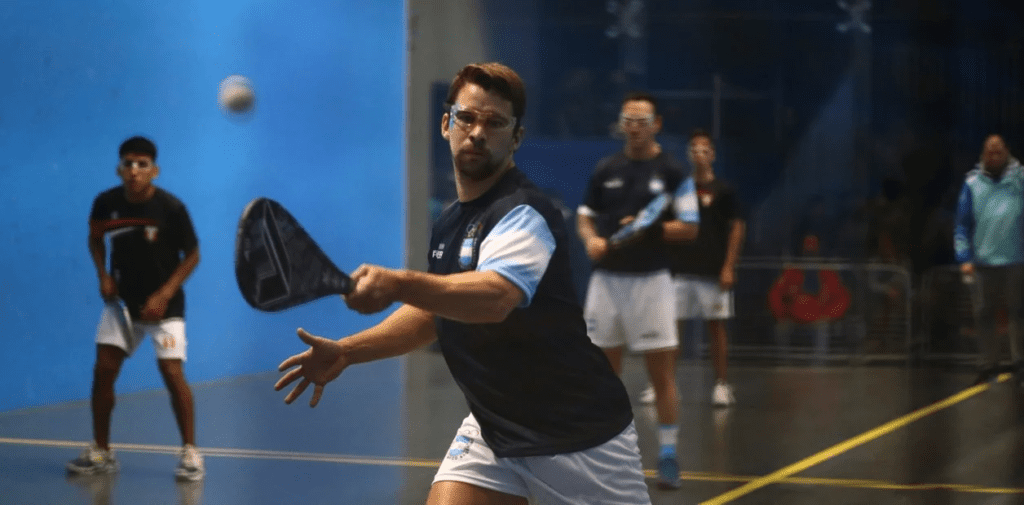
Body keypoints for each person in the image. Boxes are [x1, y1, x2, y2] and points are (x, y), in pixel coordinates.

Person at [275, 63, 652, 505]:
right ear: (445, 124)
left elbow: (495, 298)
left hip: (578, 437)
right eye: (467, 118)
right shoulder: (452, 221)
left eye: (494, 123)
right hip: (494, 427)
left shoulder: (525, 213)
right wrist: (347, 351)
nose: (477, 132)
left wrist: (399, 283)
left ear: (516, 138)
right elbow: (433, 313)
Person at [575, 92, 699, 489]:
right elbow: (585, 217)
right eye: (628, 120)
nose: (634, 127)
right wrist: (591, 239)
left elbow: (690, 227)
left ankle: (668, 456)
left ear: (656, 124)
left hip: (652, 284)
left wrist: (650, 229)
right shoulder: (605, 169)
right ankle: (604, 456)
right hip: (606, 284)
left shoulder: (674, 172)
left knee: (662, 376)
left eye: (642, 121)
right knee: (602, 377)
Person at [67, 136, 204, 481]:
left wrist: (164, 294)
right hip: (122, 304)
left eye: (142, 164)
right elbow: (95, 238)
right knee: (104, 369)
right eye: (128, 164)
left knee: (172, 373)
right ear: (119, 169)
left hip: (165, 308)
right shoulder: (106, 203)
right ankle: (102, 452)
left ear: (154, 171)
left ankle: (190, 453)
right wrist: (102, 274)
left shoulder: (171, 208)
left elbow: (193, 255)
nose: (134, 170)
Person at [669, 129, 745, 407]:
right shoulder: (680, 189)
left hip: (713, 272)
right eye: (694, 149)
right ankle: (665, 386)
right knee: (671, 330)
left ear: (712, 155)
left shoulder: (724, 190)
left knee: (716, 328)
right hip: (680, 271)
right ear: (689, 154)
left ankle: (721, 386)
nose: (699, 154)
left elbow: (737, 227)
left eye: (704, 150)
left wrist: (728, 267)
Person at [954, 134, 1024, 385]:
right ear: (983, 154)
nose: (994, 156)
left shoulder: (1020, 179)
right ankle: (988, 365)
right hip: (983, 262)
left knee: (1019, 314)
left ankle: (1020, 363)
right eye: (990, 152)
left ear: (1006, 153)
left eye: (998, 151)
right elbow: (962, 225)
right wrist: (964, 257)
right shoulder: (972, 183)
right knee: (984, 315)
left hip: (1016, 260)